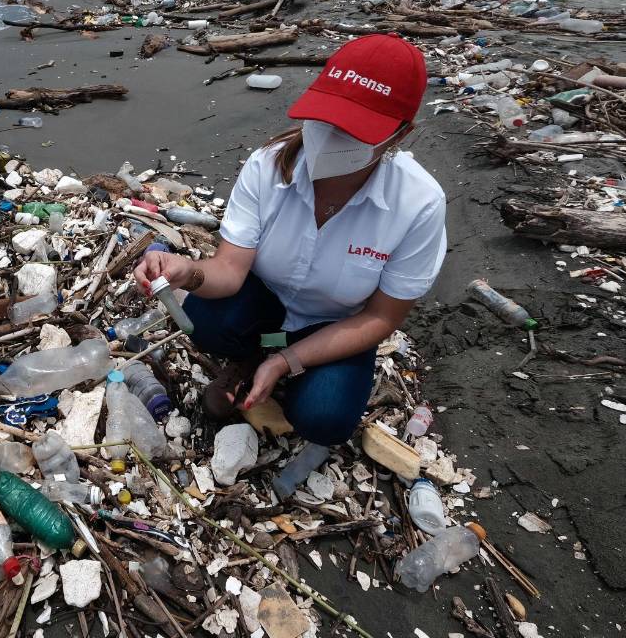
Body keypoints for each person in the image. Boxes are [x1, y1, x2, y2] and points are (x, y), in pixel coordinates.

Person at [134, 34, 446, 449]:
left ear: (399, 135)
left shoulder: (418, 204)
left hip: (336, 324)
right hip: (264, 307)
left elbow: (381, 319)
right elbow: (229, 270)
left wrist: (286, 362)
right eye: (326, 119)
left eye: (354, 130)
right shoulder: (268, 167)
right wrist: (186, 272)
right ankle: (252, 353)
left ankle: (274, 357)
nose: (332, 137)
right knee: (206, 323)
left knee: (324, 420)